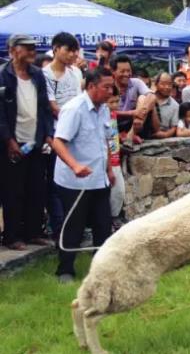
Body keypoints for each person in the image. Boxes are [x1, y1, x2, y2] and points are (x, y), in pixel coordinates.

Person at [53, 68, 115, 282]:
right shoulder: (74, 109)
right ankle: (65, 271)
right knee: (74, 227)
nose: (110, 91)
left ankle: (101, 271)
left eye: (111, 87)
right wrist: (75, 166)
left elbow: (103, 139)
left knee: (103, 225)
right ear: (90, 86)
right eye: (105, 87)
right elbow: (58, 142)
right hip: (74, 182)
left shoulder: (104, 108)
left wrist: (108, 169)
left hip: (99, 178)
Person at [0, 34, 54, 250]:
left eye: (34, 48)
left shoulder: (37, 75)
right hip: (12, 142)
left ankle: (33, 232)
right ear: (13, 50)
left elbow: (44, 108)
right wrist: (8, 140)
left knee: (36, 188)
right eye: (27, 48)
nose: (32, 52)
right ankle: (12, 236)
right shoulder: (4, 76)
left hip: (35, 141)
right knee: (13, 190)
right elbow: (1, 114)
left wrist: (47, 134)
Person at [43, 32, 82, 239]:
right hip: (56, 135)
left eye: (74, 51)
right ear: (56, 49)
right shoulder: (45, 74)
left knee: (75, 182)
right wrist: (72, 121)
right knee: (55, 183)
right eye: (68, 50)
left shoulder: (76, 73)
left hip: (77, 134)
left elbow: (79, 99)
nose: (71, 55)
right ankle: (58, 228)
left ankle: (75, 226)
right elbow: (52, 106)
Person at [106, 86, 124, 231]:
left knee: (118, 191)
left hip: (116, 157)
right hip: (108, 160)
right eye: (111, 102)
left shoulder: (113, 115)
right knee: (112, 191)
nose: (114, 105)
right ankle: (110, 220)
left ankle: (114, 217)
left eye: (117, 101)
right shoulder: (101, 116)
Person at [148, 72, 179, 139]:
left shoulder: (175, 105)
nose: (167, 87)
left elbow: (174, 127)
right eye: (163, 84)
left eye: (169, 84)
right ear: (156, 84)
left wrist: (166, 134)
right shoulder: (148, 97)